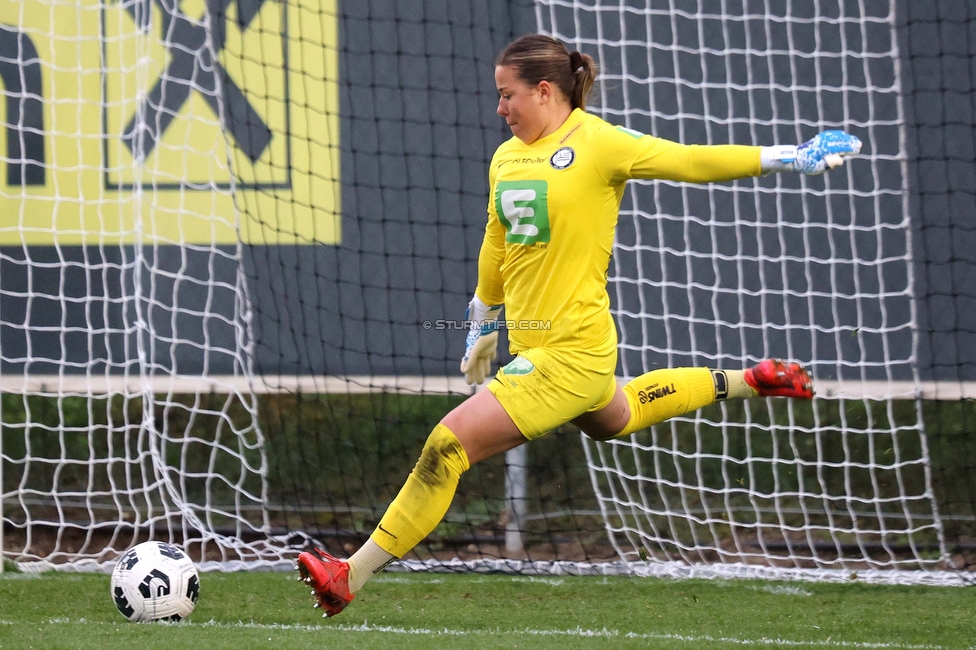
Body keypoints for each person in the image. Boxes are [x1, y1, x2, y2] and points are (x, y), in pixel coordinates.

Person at [295, 34, 861, 617]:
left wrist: (790, 156)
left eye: (507, 95)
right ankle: (751, 379)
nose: (500, 109)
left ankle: (348, 574)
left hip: (570, 352)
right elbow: (497, 240)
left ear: (544, 91)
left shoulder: (598, 143)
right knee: (616, 414)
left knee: (448, 444)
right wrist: (482, 319)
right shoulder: (506, 157)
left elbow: (689, 160)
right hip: (549, 350)